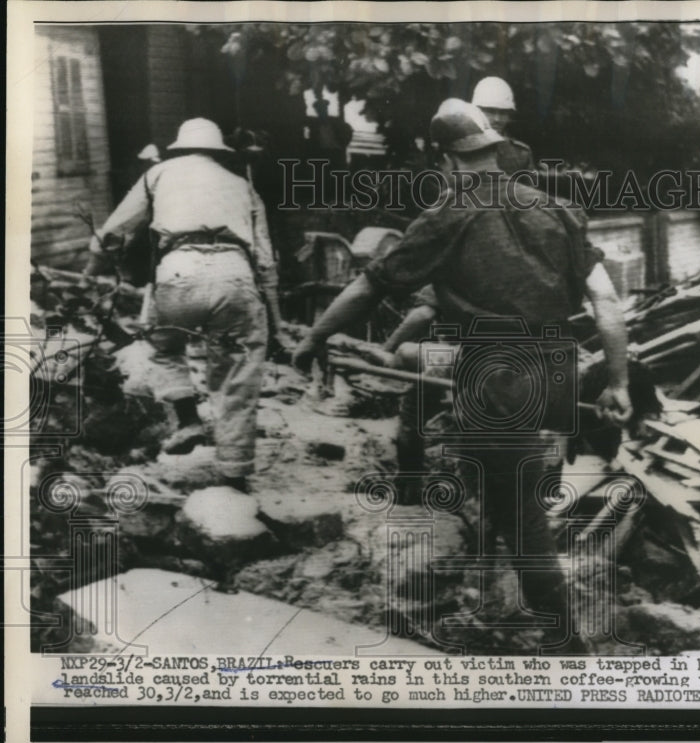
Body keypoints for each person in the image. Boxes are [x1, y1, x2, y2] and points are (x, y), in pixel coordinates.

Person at [293, 99, 632, 652]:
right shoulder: (558, 210)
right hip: (556, 368)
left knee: (517, 506)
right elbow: (606, 300)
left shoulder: (449, 213)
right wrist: (616, 382)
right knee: (506, 486)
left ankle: (564, 642)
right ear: (496, 152)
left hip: (494, 374)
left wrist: (312, 338)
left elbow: (371, 285)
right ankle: (494, 601)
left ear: (447, 161)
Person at [84, 118, 283, 494]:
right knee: (237, 372)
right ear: (216, 151)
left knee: (161, 348)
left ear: (180, 147)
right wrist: (277, 322)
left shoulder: (158, 174)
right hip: (235, 277)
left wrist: (89, 273)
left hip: (178, 273)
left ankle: (189, 419)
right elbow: (267, 261)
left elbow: (114, 232)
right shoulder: (242, 185)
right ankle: (234, 474)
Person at [471, 76, 534, 173]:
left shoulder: (521, 154)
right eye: (490, 111)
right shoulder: (459, 149)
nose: (497, 119)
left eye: (503, 112)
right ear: (476, 111)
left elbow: (528, 187)